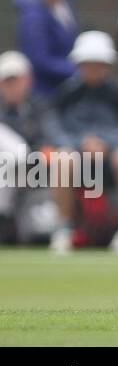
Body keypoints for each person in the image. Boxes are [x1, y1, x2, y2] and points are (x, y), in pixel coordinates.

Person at [43, 32, 118, 253]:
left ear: (107, 65)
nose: (93, 69)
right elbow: (52, 126)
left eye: (98, 64)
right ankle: (63, 229)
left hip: (111, 158)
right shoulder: (66, 93)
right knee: (62, 158)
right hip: (77, 157)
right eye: (88, 64)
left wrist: (107, 143)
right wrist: (80, 143)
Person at [14, 0, 80, 99]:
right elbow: (38, 59)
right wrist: (77, 70)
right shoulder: (32, 15)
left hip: (66, 87)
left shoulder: (64, 4)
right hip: (44, 93)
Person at [0, 51, 45, 241]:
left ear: (28, 80)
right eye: (7, 81)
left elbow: (47, 144)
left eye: (16, 80)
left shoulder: (40, 108)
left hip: (35, 172)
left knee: (42, 229)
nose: (12, 86)